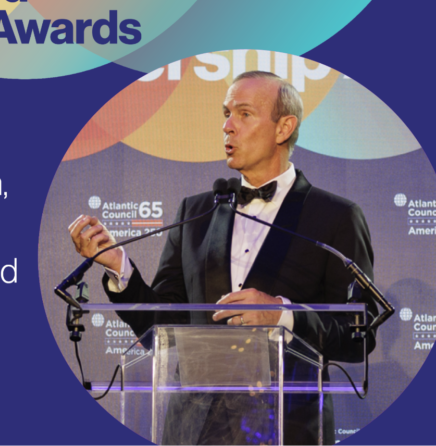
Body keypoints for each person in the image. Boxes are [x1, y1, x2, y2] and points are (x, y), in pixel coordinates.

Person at [69, 71, 377, 445]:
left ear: (283, 128)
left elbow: (359, 336)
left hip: (287, 425)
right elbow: (161, 325)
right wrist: (119, 266)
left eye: (244, 114)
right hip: (194, 430)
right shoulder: (196, 212)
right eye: (226, 113)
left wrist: (283, 314)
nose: (227, 126)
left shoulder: (336, 216)